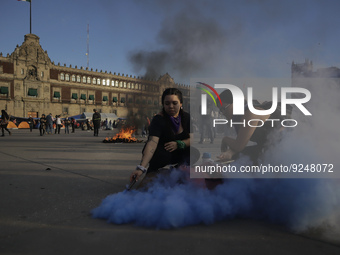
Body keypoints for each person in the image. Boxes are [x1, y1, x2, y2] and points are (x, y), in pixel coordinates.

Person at [129, 88, 200, 185]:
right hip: (162, 153)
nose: (171, 106)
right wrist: (141, 168)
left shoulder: (186, 117)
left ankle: (176, 172)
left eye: (175, 103)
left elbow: (191, 139)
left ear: (181, 103)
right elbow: (152, 143)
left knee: (194, 153)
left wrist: (179, 144)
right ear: (163, 104)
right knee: (155, 165)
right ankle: (152, 172)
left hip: (178, 152)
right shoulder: (158, 119)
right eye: (167, 103)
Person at [216, 89, 274, 164]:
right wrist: (230, 152)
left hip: (279, 149)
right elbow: (240, 142)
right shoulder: (240, 115)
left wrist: (225, 139)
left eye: (224, 109)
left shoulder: (250, 113)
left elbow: (239, 146)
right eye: (221, 110)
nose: (223, 113)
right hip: (268, 147)